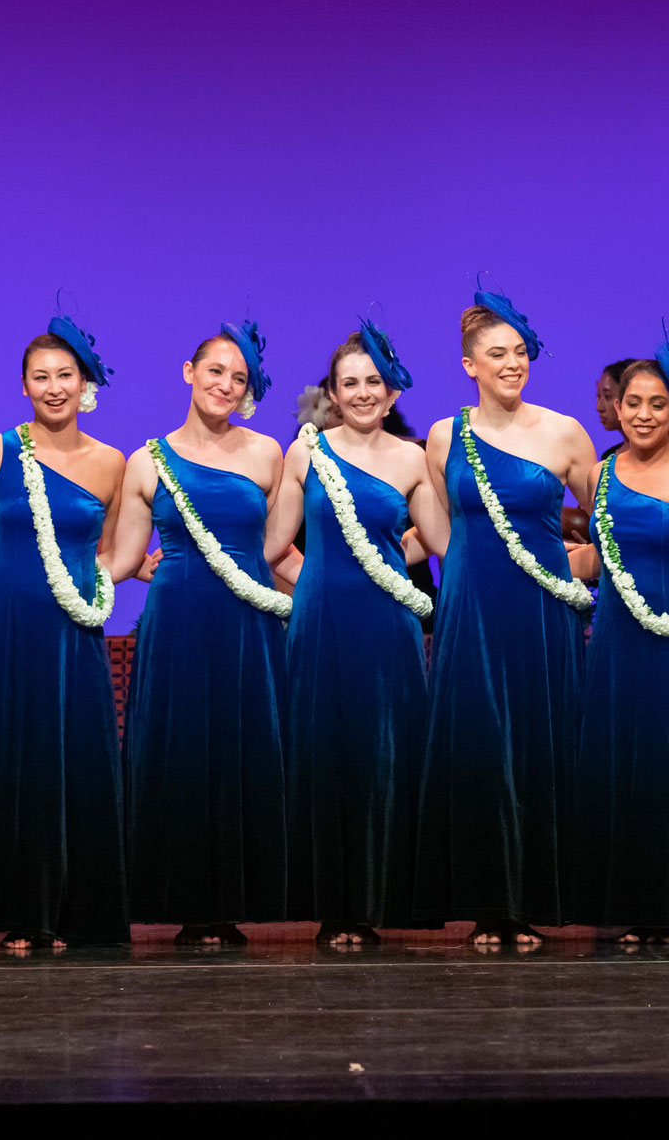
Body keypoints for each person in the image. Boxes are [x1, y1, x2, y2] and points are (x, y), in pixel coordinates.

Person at [413, 290, 597, 946]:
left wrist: (582, 564)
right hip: (472, 610)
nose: (513, 363)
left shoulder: (565, 432)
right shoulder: (443, 435)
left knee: (536, 740)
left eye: (520, 351)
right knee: (480, 747)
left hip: (540, 610)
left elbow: (613, 518)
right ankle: (490, 903)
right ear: (470, 365)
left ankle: (534, 899)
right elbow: (440, 529)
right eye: (498, 354)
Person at [0, 313, 130, 949]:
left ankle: (70, 912)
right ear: (23, 385)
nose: (54, 387)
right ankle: (18, 911)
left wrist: (82, 592)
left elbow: (112, 551)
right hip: (8, 631)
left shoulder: (113, 463)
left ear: (85, 383)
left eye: (65, 375)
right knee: (13, 759)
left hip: (72, 634)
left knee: (71, 763)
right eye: (40, 377)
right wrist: (2, 596)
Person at [265, 320, 446, 946]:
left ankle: (378, 901)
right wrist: (313, 579)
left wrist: (393, 556)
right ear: (333, 394)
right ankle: (334, 908)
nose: (364, 392)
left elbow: (441, 539)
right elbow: (273, 545)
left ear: (391, 393)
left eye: (374, 382)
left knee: (382, 752)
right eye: (351, 383)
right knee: (327, 753)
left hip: (386, 623)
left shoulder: (414, 458)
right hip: (321, 621)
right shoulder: (305, 451)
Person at [109, 320, 290, 947]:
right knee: (181, 752)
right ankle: (185, 901)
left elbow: (280, 550)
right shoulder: (147, 459)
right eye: (216, 371)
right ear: (189, 373)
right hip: (178, 620)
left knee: (243, 750)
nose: (226, 385)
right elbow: (124, 556)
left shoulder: (269, 452)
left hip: (246, 623)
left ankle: (236, 901)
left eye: (239, 379)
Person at [568, 339, 669, 941]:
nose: (645, 414)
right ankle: (628, 907)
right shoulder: (601, 475)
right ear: (618, 407)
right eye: (633, 402)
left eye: (658, 403)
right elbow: (599, 561)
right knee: (620, 766)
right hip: (619, 643)